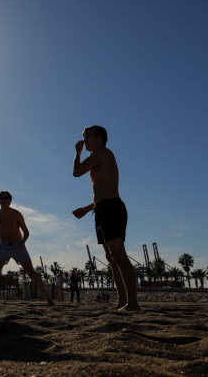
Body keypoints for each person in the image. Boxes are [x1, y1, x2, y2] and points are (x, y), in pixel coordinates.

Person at [72, 125, 140, 311]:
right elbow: (101, 191)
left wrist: (77, 153)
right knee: (111, 257)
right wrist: (87, 209)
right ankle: (122, 301)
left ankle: (133, 303)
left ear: (99, 138)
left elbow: (77, 172)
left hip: (112, 208)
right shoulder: (98, 156)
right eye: (84, 138)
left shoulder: (102, 153)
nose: (84, 141)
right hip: (101, 208)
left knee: (119, 254)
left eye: (88, 137)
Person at [0, 191, 54, 305]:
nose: (3, 200)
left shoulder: (16, 214)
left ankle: (48, 298)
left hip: (18, 245)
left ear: (10, 200)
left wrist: (23, 242)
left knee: (31, 271)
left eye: (5, 198)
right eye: (0, 198)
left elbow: (26, 232)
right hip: (3, 246)